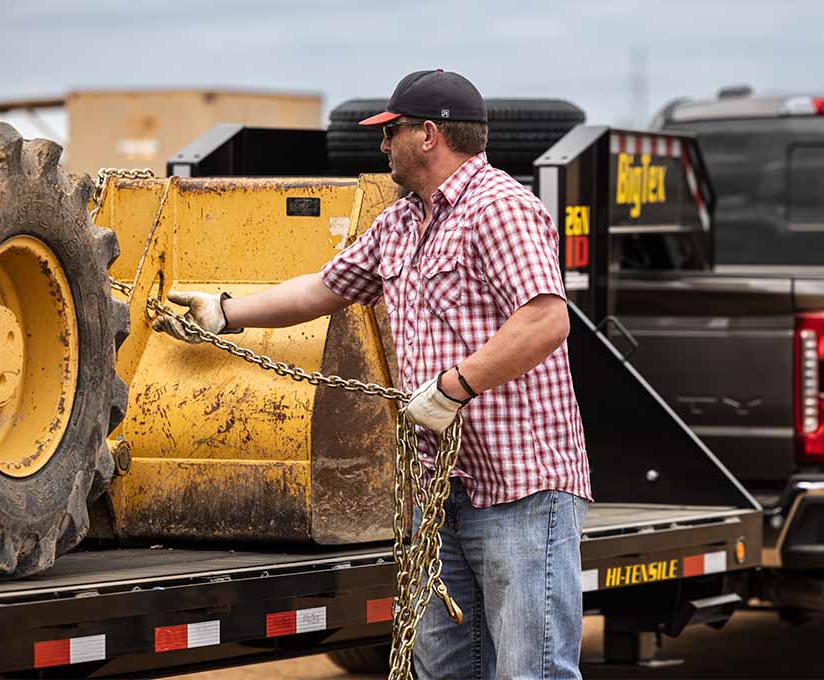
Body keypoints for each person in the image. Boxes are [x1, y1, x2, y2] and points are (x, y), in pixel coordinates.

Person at [154, 69, 592, 680]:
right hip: (440, 489)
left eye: (391, 132)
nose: (381, 145)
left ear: (429, 136)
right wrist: (226, 311)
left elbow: (545, 320)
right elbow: (322, 288)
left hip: (518, 489)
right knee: (443, 667)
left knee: (530, 670)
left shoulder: (501, 208)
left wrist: (451, 388)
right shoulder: (400, 222)